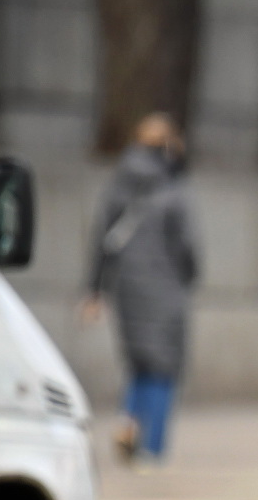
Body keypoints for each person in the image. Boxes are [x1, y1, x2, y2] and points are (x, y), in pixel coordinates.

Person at [81, 112, 199, 467]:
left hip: (127, 289)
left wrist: (94, 290)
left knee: (138, 361)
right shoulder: (170, 188)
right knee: (162, 366)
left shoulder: (118, 182)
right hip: (166, 289)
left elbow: (102, 239)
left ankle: (127, 421)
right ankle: (153, 450)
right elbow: (188, 250)